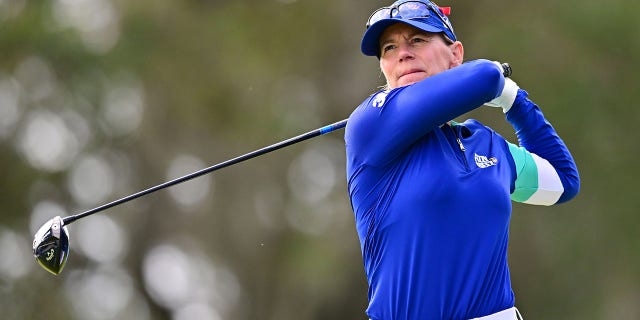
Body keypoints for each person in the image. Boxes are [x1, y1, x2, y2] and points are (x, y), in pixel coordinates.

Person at [344, 1, 580, 319]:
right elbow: (484, 76)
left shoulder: (486, 144)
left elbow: (564, 183)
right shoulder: (370, 126)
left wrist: (516, 100)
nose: (402, 53)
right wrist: (499, 85)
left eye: (417, 39)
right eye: (389, 47)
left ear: (455, 54)